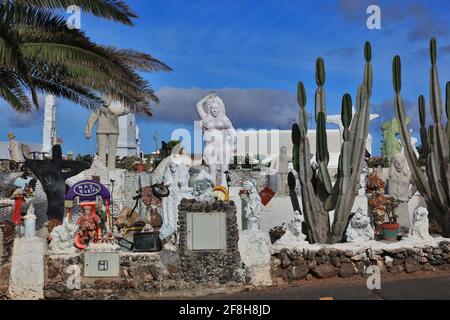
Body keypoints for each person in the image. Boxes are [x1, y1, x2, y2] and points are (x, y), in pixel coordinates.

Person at [197, 93, 236, 188]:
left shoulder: (224, 118)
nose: (214, 110)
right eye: (212, 108)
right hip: (211, 145)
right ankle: (212, 184)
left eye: (216, 108)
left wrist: (233, 142)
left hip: (223, 144)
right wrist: (207, 97)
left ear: (220, 109)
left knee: (224, 167)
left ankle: (224, 184)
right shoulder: (205, 118)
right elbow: (198, 105)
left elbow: (232, 130)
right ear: (209, 109)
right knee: (212, 168)